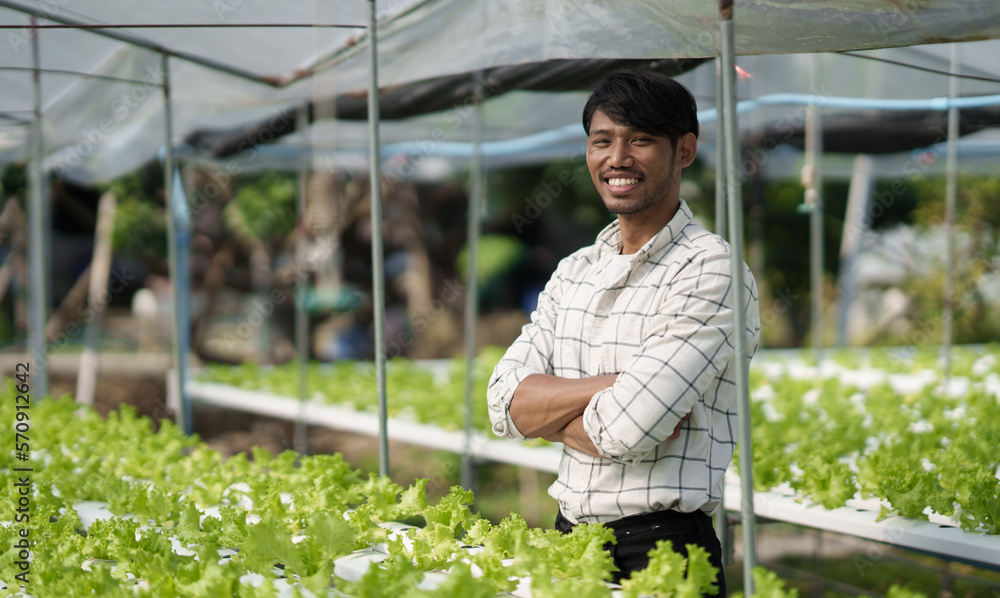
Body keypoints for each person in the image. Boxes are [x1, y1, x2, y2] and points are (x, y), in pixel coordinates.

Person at [486, 70, 761, 594]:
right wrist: (611, 385)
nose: (617, 159)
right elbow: (504, 405)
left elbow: (625, 429)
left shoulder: (710, 270)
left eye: (640, 140)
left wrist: (548, 413)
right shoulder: (575, 270)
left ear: (684, 150)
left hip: (663, 548)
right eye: (602, 141)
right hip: (570, 541)